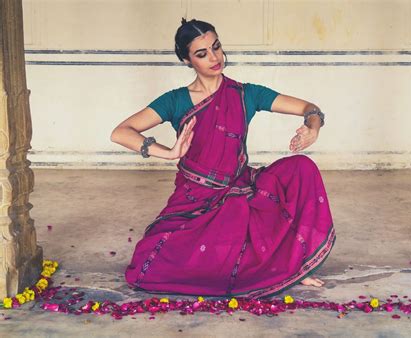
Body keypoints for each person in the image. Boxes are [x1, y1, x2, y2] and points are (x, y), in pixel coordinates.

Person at [110, 18, 335, 298]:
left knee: (301, 168)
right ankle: (273, 265)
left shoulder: (245, 94)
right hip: (195, 199)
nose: (214, 58)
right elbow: (121, 132)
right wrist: (168, 153)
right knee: (148, 264)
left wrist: (313, 126)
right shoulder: (175, 100)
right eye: (202, 54)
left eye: (216, 47)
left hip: (241, 191)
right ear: (187, 60)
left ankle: (289, 266)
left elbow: (308, 108)